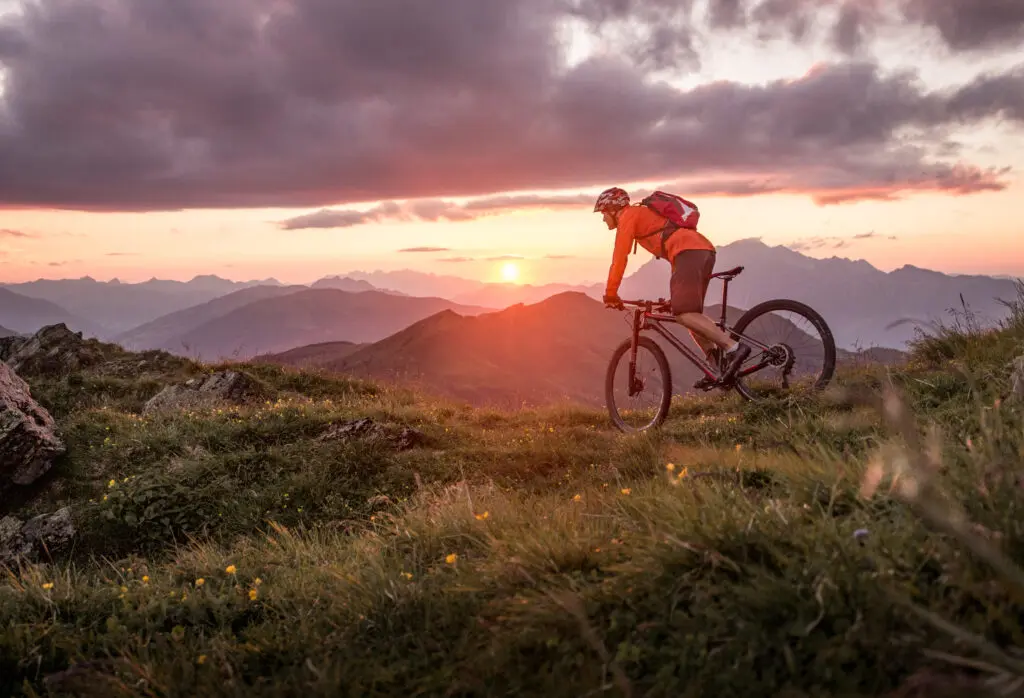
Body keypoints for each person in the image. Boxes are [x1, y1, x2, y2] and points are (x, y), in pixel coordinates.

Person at [595, 186, 751, 385]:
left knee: (684, 314)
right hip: (701, 251)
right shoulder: (642, 214)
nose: (602, 219)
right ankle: (719, 368)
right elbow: (673, 250)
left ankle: (733, 348)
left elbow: (619, 257)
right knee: (691, 317)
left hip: (688, 252)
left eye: (603, 213)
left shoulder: (629, 215)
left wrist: (610, 293)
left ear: (612, 209)